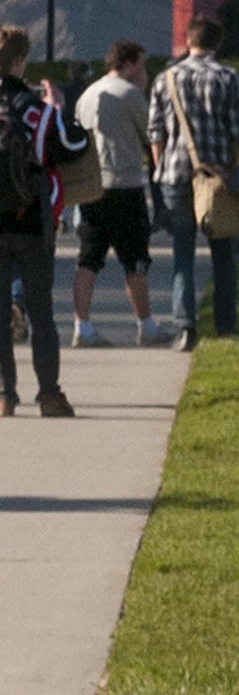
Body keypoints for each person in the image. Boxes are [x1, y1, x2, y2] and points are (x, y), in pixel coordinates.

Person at [0, 25, 92, 416]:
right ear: (20, 61)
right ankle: (49, 394)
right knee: (41, 312)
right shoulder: (35, 109)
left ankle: (5, 395)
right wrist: (56, 107)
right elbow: (73, 145)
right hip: (33, 222)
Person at [151, 18, 239, 347]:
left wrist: (160, 165)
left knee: (182, 252)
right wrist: (229, 168)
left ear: (188, 39)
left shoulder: (166, 78)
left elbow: (155, 132)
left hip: (175, 174)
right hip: (217, 174)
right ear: (217, 43)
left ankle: (185, 326)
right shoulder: (228, 77)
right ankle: (225, 327)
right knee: (224, 254)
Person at [70, 39, 162, 349]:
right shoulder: (130, 94)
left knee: (88, 259)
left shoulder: (87, 95)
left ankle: (82, 326)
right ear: (130, 64)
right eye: (142, 65)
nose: (144, 71)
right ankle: (146, 324)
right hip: (125, 186)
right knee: (135, 260)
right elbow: (151, 134)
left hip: (92, 187)